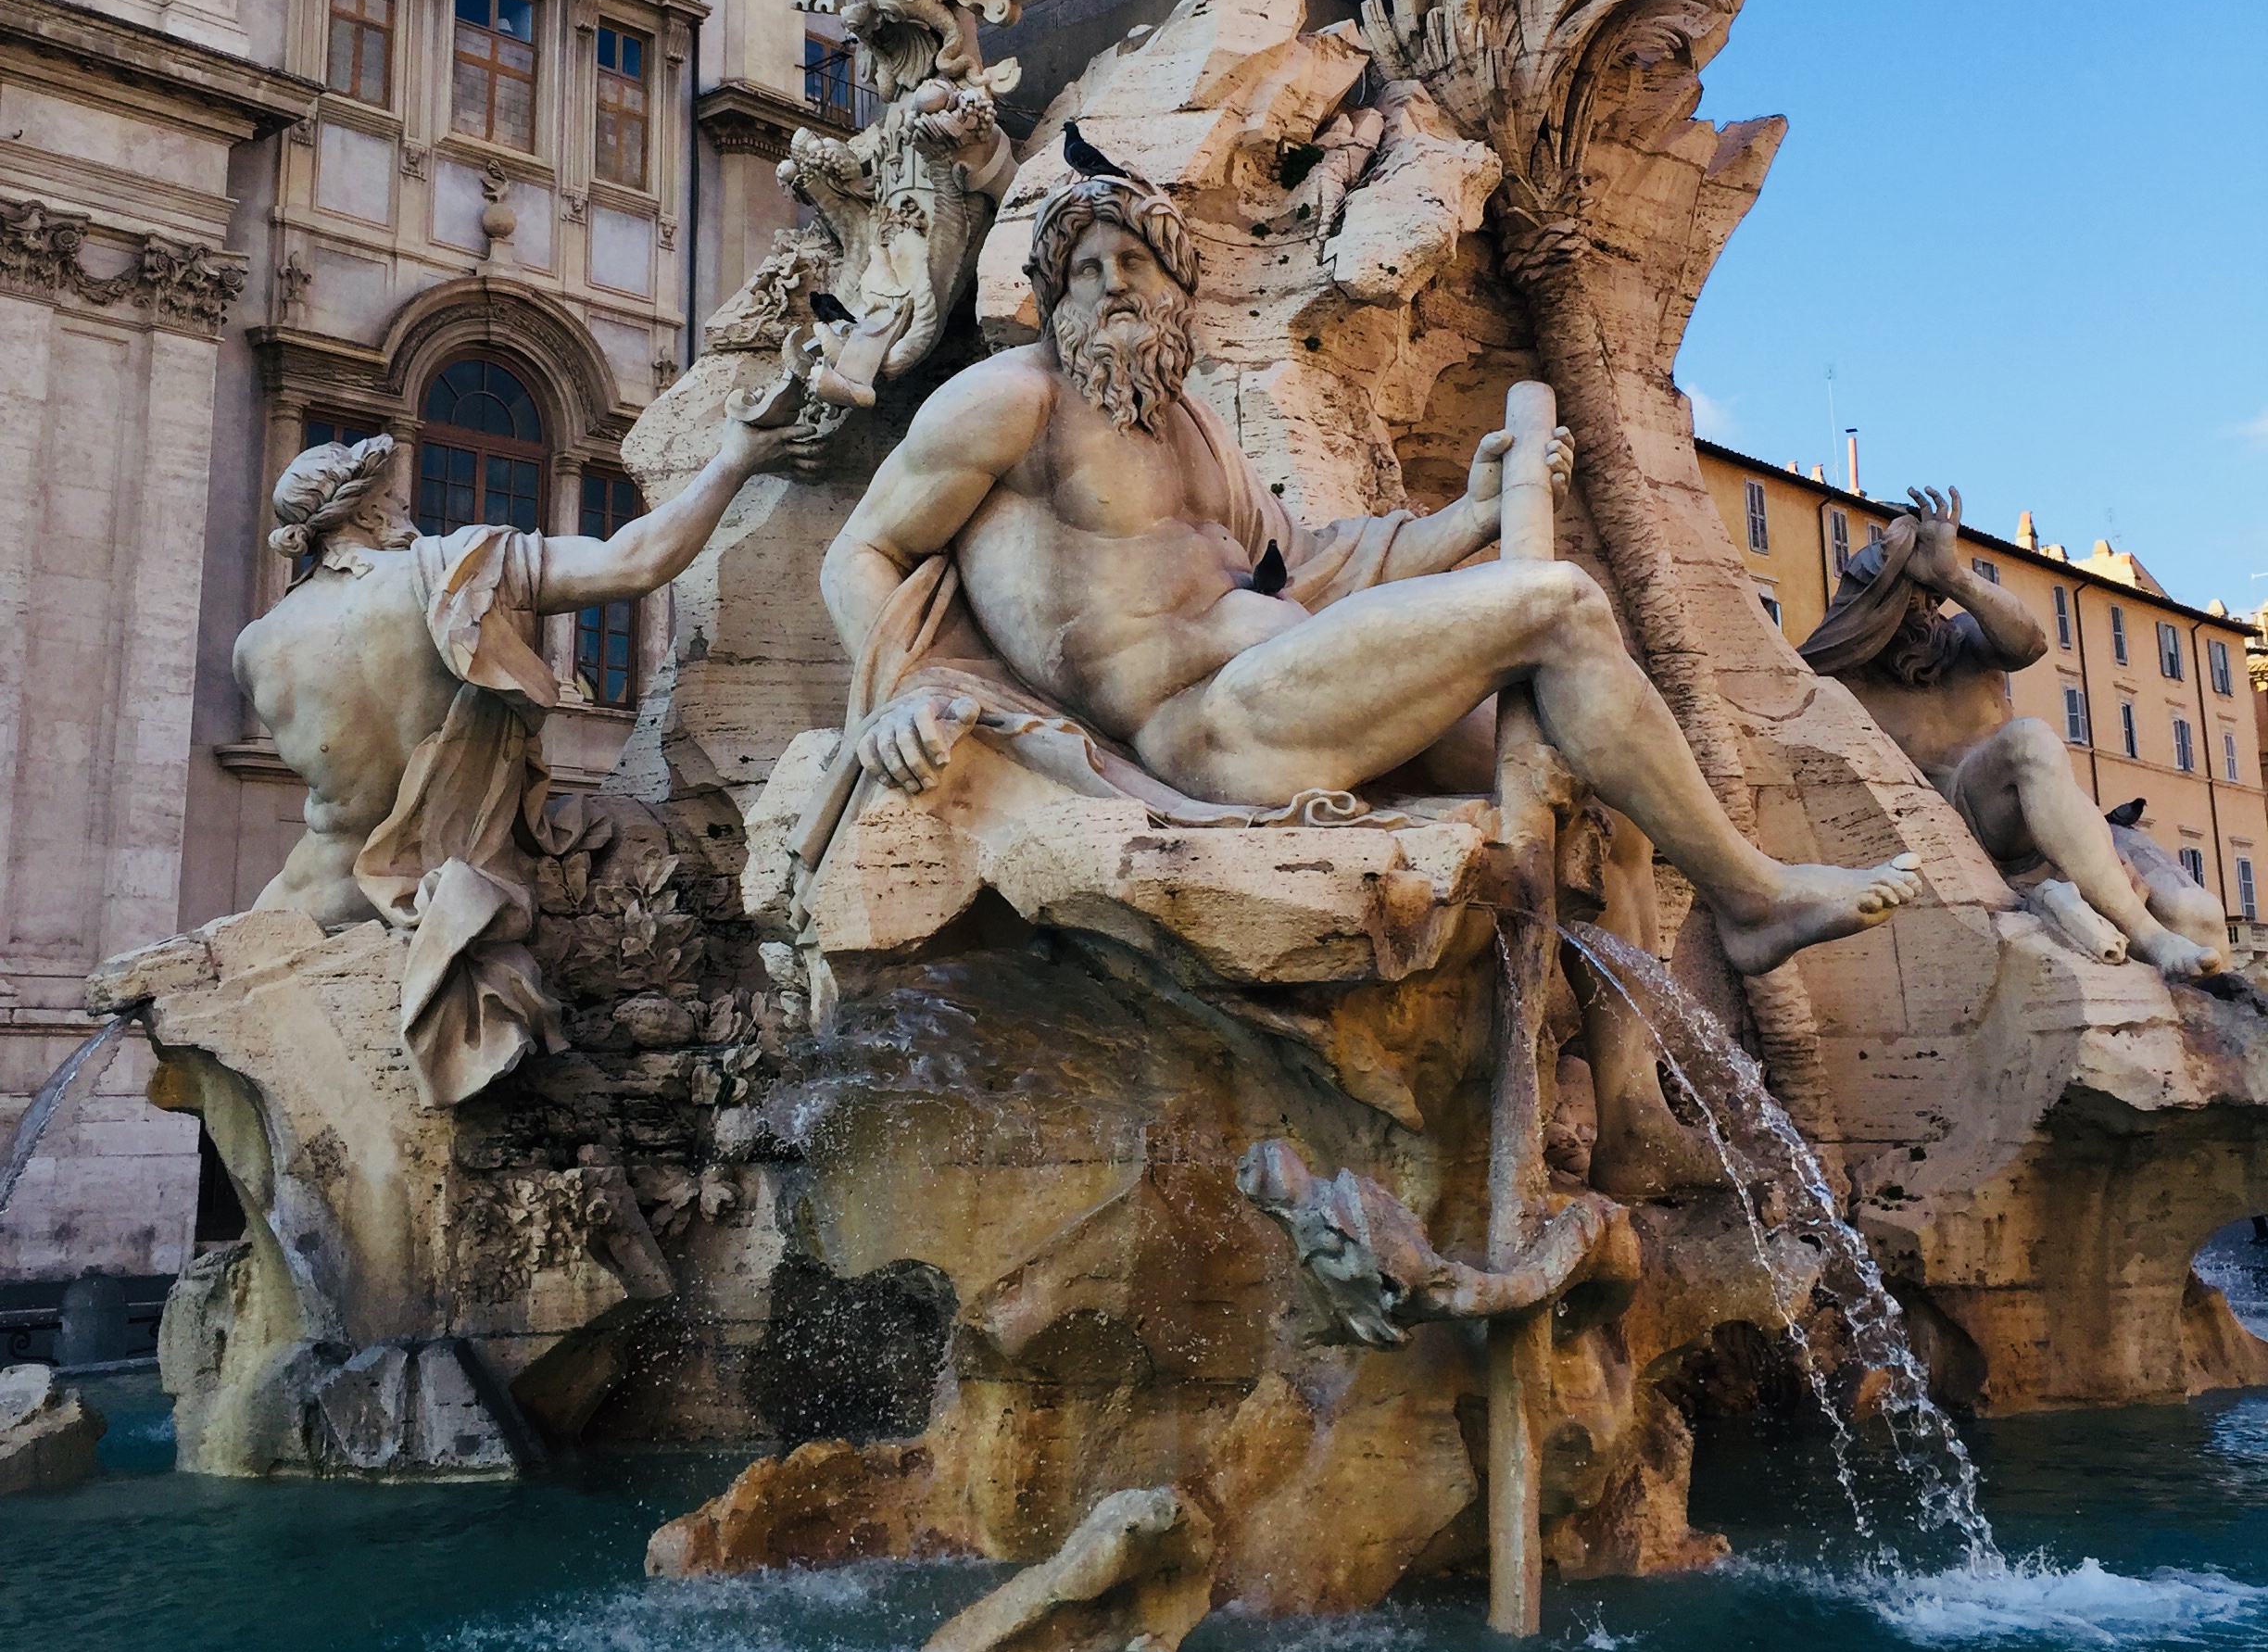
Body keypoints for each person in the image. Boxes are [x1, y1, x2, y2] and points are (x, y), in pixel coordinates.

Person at [817, 159, 1921, 980]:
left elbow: (1313, 570)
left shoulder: (1198, 431)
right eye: (1085, 270)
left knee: (1604, 793)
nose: (1110, 286)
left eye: (1134, 263)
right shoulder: (1017, 401)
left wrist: (1474, 516)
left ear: (1175, 289)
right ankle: (1752, 894)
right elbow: (862, 549)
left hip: (1289, 679)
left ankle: (1633, 1118)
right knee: (1566, 608)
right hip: (1205, 731)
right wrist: (904, 688)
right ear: (1053, 295)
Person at [234, 372, 814, 1102]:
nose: (407, 508)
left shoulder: (256, 644)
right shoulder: (453, 571)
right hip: (454, 890)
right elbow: (636, 561)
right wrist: (736, 456)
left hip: (307, 907)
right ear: (374, 510)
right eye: (397, 496)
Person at [1797, 488, 2223, 980]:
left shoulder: (1966, 643)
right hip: (1967, 826)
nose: (1922, 615)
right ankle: (2149, 938)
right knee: (2028, 740)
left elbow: (2031, 643)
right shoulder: (1848, 685)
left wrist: (1954, 576)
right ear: (1872, 614)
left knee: (2203, 916)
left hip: (2055, 824)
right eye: (1905, 603)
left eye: (1927, 601)